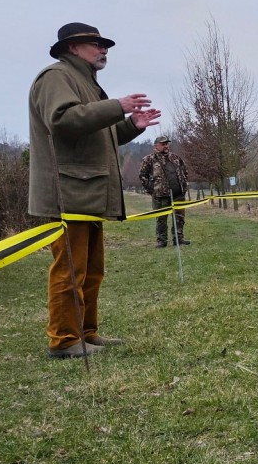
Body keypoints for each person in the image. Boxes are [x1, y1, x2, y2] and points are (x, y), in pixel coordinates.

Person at [28, 22, 160, 358]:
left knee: (91, 270)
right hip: (68, 194)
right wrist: (117, 106)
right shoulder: (56, 77)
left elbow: (98, 134)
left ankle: (86, 333)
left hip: (87, 194)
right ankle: (64, 340)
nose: (104, 50)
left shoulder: (86, 82)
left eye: (105, 45)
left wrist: (131, 126)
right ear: (72, 47)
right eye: (96, 44)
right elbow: (63, 121)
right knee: (70, 271)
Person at [139, 134, 190, 247]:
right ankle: (162, 241)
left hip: (178, 194)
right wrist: (151, 189)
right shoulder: (149, 159)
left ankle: (178, 239)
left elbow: (185, 172)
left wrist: (184, 185)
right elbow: (142, 176)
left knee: (179, 218)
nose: (166, 146)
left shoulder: (176, 158)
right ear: (156, 146)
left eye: (167, 144)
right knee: (161, 219)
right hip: (160, 195)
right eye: (163, 144)